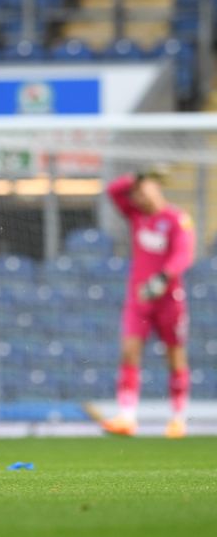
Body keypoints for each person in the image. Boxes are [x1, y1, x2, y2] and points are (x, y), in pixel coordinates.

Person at [101, 169, 195, 438]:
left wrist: (163, 278)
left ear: (156, 188)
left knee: (175, 355)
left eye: (143, 190)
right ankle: (127, 417)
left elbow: (183, 255)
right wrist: (137, 177)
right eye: (136, 193)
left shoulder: (177, 219)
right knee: (129, 351)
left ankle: (178, 418)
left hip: (169, 299)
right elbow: (113, 191)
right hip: (139, 298)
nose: (139, 197)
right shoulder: (137, 216)